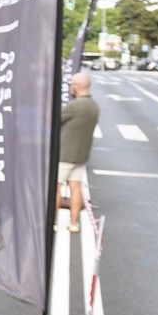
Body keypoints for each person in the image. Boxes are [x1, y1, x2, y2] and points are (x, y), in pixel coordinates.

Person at [57, 72, 100, 233]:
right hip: (81, 155)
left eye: (71, 85)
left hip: (65, 154)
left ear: (78, 86)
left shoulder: (75, 106)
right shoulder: (94, 106)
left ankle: (52, 223)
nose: (70, 88)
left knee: (57, 187)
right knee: (76, 188)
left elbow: (57, 120)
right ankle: (74, 223)